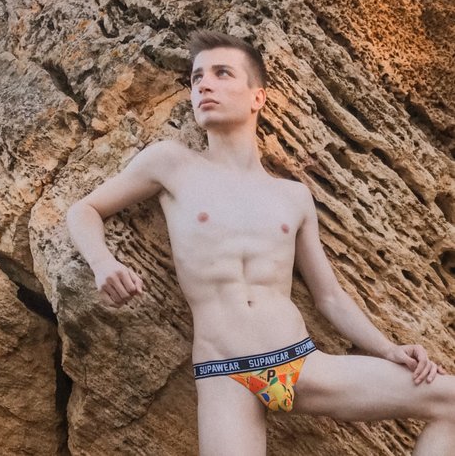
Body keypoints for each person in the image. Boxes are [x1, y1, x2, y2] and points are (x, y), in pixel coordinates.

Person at [67, 30, 455, 455]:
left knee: (451, 399)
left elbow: (329, 297)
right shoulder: (171, 164)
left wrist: (387, 348)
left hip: (300, 362)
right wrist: (103, 263)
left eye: (222, 73)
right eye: (196, 78)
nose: (204, 85)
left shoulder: (293, 196)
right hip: (224, 374)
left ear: (258, 97)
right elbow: (83, 210)